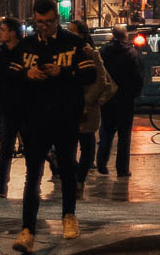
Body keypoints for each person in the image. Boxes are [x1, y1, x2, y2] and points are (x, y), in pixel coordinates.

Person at [13, 0, 95, 250]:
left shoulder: (73, 43)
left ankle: (69, 217)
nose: (44, 27)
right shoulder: (26, 46)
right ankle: (27, 230)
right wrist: (27, 74)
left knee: (68, 170)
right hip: (35, 119)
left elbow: (90, 73)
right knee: (32, 175)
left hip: (64, 117)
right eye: (39, 23)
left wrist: (64, 73)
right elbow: (8, 73)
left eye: (48, 22)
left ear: (56, 20)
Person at [70, 18, 115, 198]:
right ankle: (74, 176)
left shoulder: (91, 53)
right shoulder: (67, 51)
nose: (70, 34)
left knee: (87, 144)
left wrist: (88, 100)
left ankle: (79, 179)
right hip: (70, 105)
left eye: (74, 31)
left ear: (82, 34)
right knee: (65, 145)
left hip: (87, 106)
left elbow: (102, 80)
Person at [96, 24, 143, 179]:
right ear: (125, 36)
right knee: (124, 136)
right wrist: (134, 94)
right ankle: (122, 169)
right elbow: (138, 76)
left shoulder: (103, 51)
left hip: (109, 98)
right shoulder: (131, 53)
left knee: (106, 131)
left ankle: (101, 163)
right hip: (126, 99)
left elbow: (99, 74)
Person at [0, 17, 25, 198]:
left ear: (12, 33)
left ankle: (34, 182)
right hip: (7, 108)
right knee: (6, 148)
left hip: (25, 107)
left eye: (3, 29)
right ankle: (1, 185)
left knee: (33, 147)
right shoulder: (0, 56)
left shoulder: (25, 53)